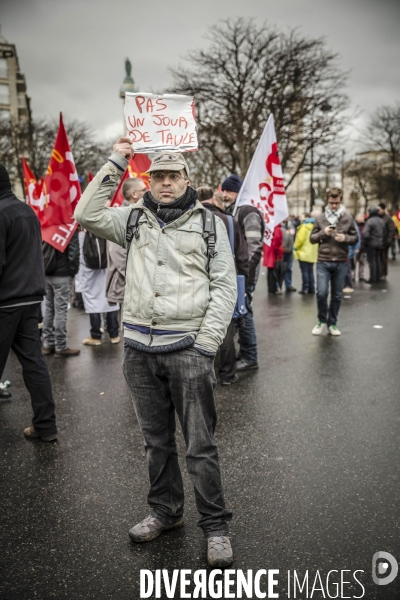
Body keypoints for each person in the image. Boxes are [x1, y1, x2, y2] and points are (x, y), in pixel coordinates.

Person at [74, 141, 237, 568]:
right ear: (149, 181)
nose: (166, 184)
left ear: (186, 180)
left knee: (200, 445)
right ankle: (166, 512)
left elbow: (224, 286)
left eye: (173, 177)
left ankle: (215, 526)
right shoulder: (132, 218)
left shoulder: (209, 223)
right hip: (138, 350)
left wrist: (206, 345)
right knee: (155, 443)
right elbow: (85, 214)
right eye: (158, 177)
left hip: (188, 349)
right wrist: (116, 161)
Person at [0, 164, 57, 440]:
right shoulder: (26, 210)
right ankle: (46, 426)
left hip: (5, 302)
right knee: (34, 363)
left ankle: (45, 426)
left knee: (32, 364)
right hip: (29, 298)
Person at [197, 186, 249, 385]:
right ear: (213, 199)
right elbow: (242, 255)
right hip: (226, 279)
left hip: (198, 279)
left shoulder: (189, 219)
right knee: (225, 326)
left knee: (198, 326)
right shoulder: (229, 220)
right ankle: (227, 374)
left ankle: (203, 375)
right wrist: (246, 282)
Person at [222, 174, 264, 371]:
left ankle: (250, 357)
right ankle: (246, 353)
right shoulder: (235, 210)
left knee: (245, 314)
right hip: (238, 274)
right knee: (242, 313)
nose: (224, 194)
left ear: (236, 192)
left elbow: (254, 247)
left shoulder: (248, 212)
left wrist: (244, 276)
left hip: (243, 276)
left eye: (227, 191)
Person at [310, 188, 358, 336]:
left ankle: (332, 323)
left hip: (341, 261)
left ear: (341, 201)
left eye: (337, 203)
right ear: (327, 201)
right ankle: (321, 321)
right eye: (331, 203)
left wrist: (345, 239)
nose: (334, 206)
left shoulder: (348, 218)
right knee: (321, 293)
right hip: (323, 261)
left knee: (337, 295)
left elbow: (355, 238)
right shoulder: (320, 218)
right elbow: (312, 239)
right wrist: (323, 232)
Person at [106, 178, 146, 309]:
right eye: (144, 190)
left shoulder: (140, 213)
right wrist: (138, 278)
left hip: (137, 285)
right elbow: (118, 253)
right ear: (134, 194)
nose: (148, 192)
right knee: (126, 326)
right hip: (129, 284)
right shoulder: (120, 216)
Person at [42, 230, 81, 357]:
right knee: (61, 311)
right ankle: (61, 346)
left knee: (49, 309)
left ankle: (48, 344)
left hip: (47, 272)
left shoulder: (46, 224)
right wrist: (72, 272)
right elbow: (74, 253)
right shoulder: (69, 227)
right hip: (63, 274)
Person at [80, 230, 120, 345]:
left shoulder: (83, 236)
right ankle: (114, 334)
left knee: (92, 302)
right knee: (110, 299)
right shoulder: (108, 233)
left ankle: (95, 335)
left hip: (90, 273)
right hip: (108, 271)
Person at [293, 213, 318, 294]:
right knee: (310, 271)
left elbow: (300, 240)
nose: (300, 218)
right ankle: (312, 288)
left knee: (304, 271)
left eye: (301, 216)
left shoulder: (304, 227)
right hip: (312, 252)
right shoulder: (314, 226)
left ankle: (305, 288)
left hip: (303, 252)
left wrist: (295, 247)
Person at [363, 205, 384, 283]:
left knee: (372, 261)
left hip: (371, 244)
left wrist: (366, 241)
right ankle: (378, 277)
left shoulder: (370, 221)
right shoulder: (381, 220)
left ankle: (372, 278)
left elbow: (365, 233)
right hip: (379, 243)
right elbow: (384, 232)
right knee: (378, 260)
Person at [263, 224, 284, 294]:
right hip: (273, 253)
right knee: (273, 272)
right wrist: (279, 251)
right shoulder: (277, 228)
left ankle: (271, 288)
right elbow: (277, 242)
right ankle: (273, 288)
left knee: (270, 271)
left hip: (268, 251)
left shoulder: (269, 227)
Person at [378, 202, 395, 280]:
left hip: (385, 242)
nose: (378, 210)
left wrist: (388, 240)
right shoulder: (377, 217)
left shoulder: (388, 218)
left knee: (384, 258)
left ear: (383, 209)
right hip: (377, 241)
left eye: (379, 209)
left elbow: (391, 230)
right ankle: (379, 273)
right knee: (378, 258)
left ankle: (384, 273)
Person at [343, 220, 360, 294]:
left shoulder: (351, 223)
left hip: (348, 250)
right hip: (343, 251)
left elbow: (356, 237)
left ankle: (348, 285)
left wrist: (356, 248)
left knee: (347, 269)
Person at [281, 218, 297, 292]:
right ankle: (278, 286)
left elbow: (293, 235)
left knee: (289, 268)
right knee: (280, 269)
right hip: (281, 251)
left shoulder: (291, 225)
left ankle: (288, 285)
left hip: (290, 250)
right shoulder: (279, 225)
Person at [353, 214, 366, 281]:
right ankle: (352, 275)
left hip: (363, 247)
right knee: (354, 262)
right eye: (360, 217)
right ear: (356, 218)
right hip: (355, 247)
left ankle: (361, 275)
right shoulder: (353, 225)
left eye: (362, 217)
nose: (362, 218)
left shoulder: (365, 225)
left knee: (362, 262)